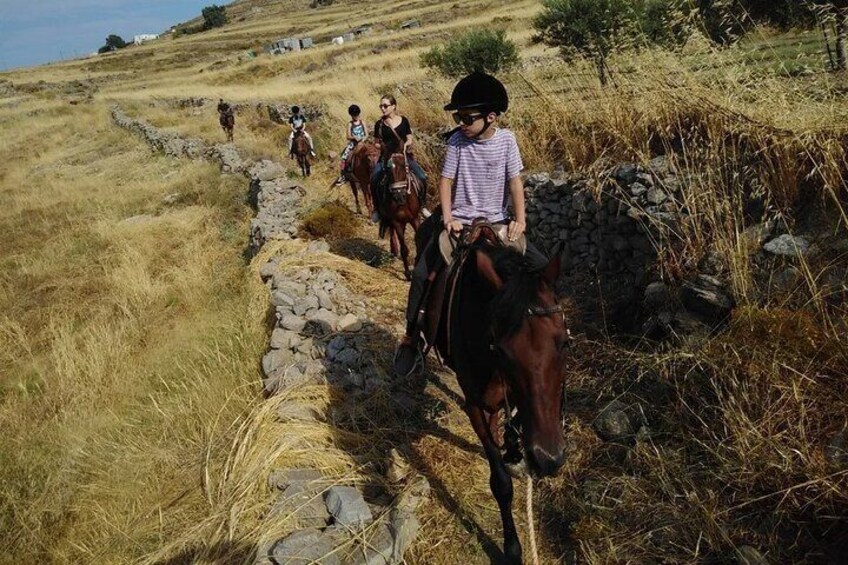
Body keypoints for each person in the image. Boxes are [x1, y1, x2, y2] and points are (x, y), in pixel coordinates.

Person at [392, 71, 549, 378]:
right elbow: (446, 181)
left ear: (491, 117)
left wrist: (520, 219)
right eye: (458, 117)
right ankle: (412, 337)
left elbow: (514, 182)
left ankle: (548, 330)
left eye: (467, 118)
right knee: (424, 272)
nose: (461, 123)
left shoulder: (507, 141)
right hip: (461, 222)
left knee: (541, 266)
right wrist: (448, 218)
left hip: (498, 221)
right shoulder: (457, 143)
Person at [370, 94, 427, 222]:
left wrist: (406, 145)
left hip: (403, 155)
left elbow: (409, 138)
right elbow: (376, 142)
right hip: (386, 157)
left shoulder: (404, 120)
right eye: (381, 106)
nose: (382, 108)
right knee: (374, 178)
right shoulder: (379, 124)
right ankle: (377, 209)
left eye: (385, 106)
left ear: (393, 106)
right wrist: (382, 147)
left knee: (422, 176)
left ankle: (422, 205)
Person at [334, 104, 368, 186]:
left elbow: (366, 134)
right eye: (354, 115)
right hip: (353, 143)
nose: (355, 117)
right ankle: (343, 175)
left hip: (363, 142)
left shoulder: (362, 122)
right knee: (343, 157)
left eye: (356, 115)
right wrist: (354, 138)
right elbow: (348, 136)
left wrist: (362, 140)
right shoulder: (350, 124)